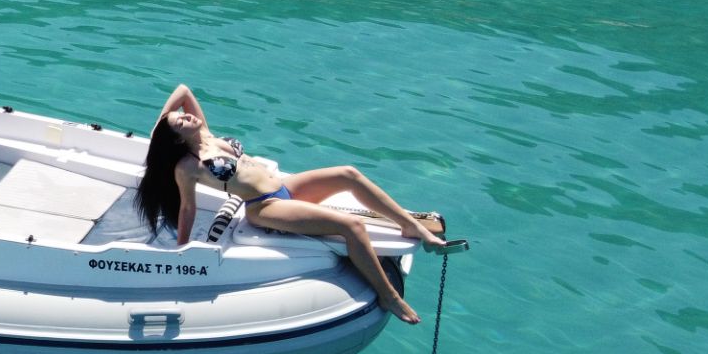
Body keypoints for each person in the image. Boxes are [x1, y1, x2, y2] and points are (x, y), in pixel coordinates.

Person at [137, 84, 465, 325]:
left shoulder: (206, 132)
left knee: (348, 174)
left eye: (182, 117)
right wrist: (183, 252)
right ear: (178, 140)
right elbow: (188, 209)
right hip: (264, 206)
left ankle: (411, 225)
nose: (186, 118)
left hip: (283, 187)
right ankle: (388, 295)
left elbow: (182, 90)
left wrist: (161, 121)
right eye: (180, 123)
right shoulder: (188, 167)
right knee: (351, 226)